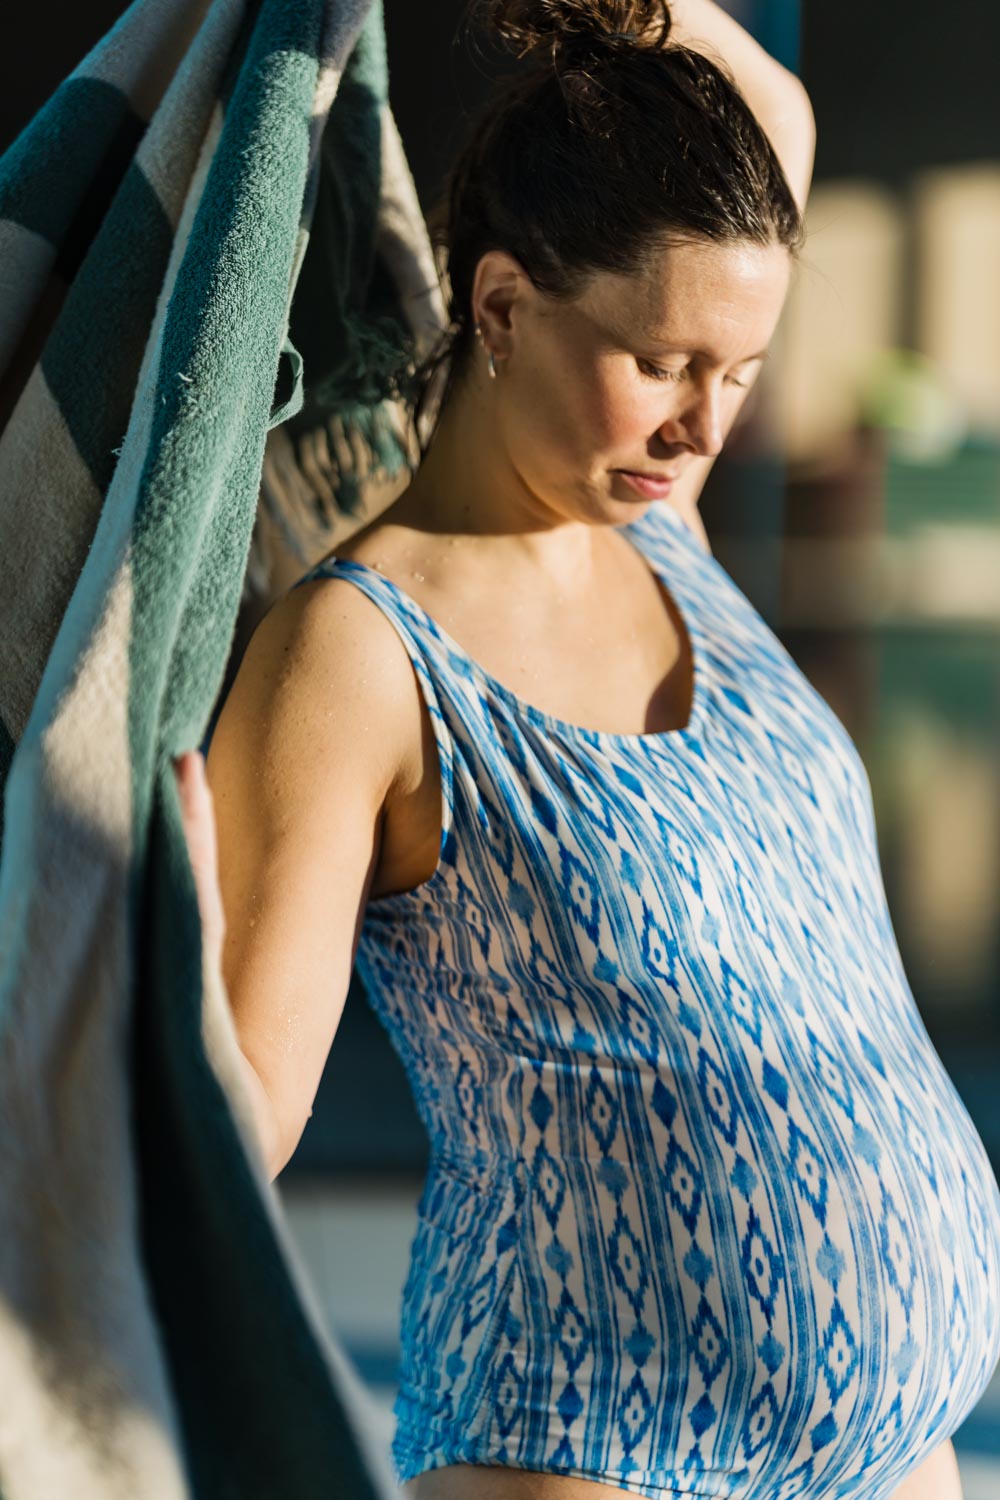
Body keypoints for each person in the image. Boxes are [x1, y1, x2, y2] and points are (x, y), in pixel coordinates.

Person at [175, 2, 1000, 1497]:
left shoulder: (661, 530)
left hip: (897, 1445)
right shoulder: (358, 653)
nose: (703, 428)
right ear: (498, 306)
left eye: (740, 372)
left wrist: (632, 15)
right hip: (587, 1440)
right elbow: (237, 1121)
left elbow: (773, 115)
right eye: (663, 361)